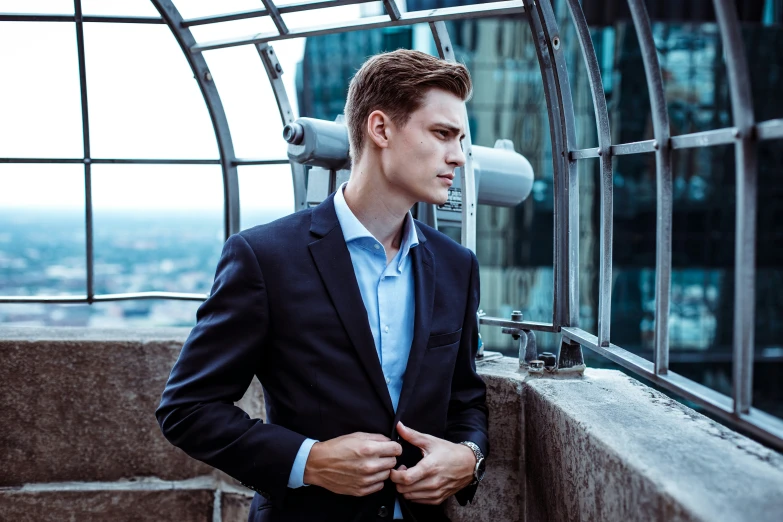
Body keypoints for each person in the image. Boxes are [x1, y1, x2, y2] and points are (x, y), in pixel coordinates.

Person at [156, 49, 489, 522]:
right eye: (442, 134)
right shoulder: (265, 257)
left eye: (459, 139)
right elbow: (187, 408)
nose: (457, 156)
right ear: (381, 129)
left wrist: (469, 456)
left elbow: (466, 399)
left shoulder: (458, 265)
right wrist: (307, 461)